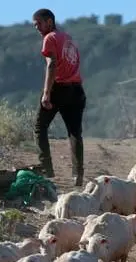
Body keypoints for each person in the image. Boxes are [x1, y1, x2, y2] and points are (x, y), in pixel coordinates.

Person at [32, 8, 86, 186]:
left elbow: (52, 64)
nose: (37, 27)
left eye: (39, 23)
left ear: (49, 21)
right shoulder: (68, 39)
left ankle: (46, 170)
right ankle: (78, 174)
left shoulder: (50, 38)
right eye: (35, 24)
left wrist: (47, 92)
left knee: (40, 127)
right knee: (74, 132)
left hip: (58, 88)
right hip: (76, 89)